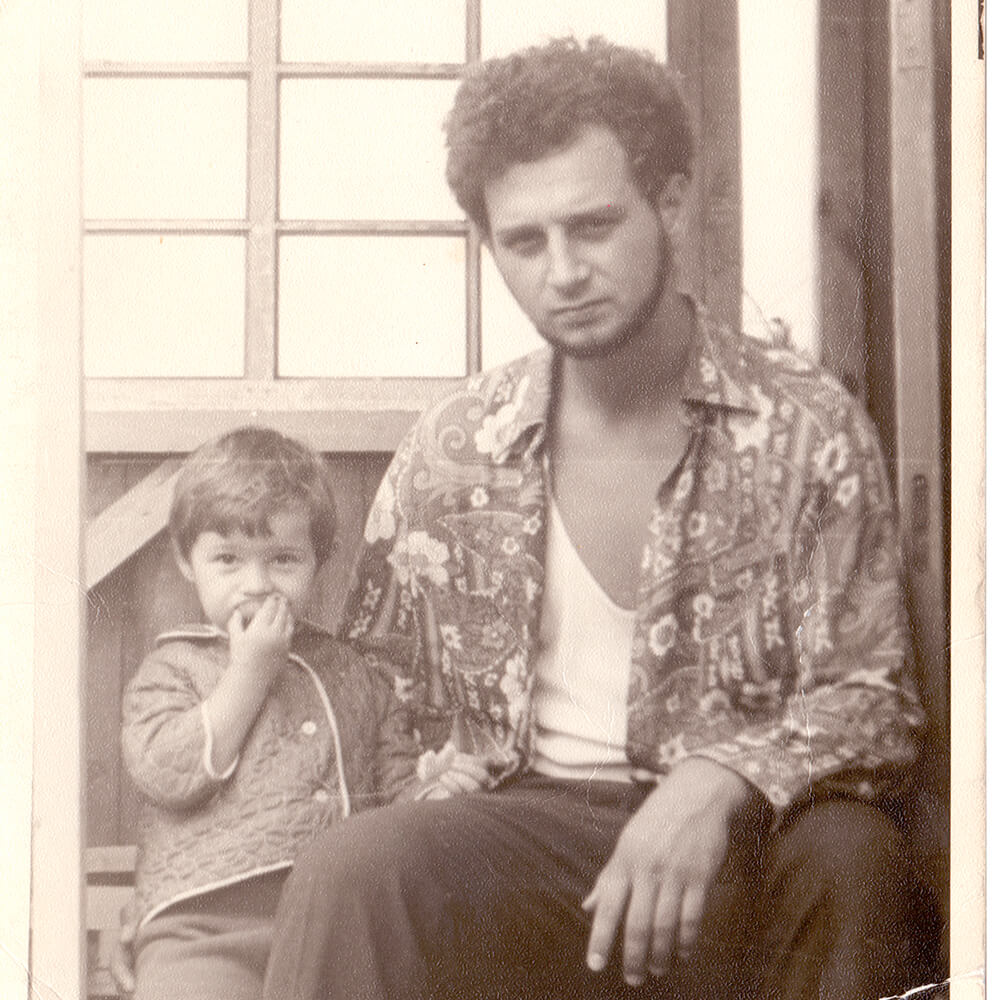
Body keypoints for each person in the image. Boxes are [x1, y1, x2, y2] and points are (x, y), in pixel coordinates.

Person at [258, 36, 939, 1000]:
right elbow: (368, 700)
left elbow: (874, 702)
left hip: (741, 858)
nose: (564, 271)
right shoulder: (453, 448)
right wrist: (416, 784)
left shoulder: (803, 426)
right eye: (525, 242)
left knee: (853, 856)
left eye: (593, 226)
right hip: (531, 850)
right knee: (354, 868)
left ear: (671, 204)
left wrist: (716, 780)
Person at [120, 426, 489, 1000]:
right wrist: (249, 673)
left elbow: (390, 798)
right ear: (187, 561)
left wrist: (431, 787)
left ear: (319, 561)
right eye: (228, 559)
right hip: (199, 926)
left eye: (284, 560)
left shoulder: (354, 673)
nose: (257, 584)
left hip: (332, 925)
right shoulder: (174, 667)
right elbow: (166, 771)